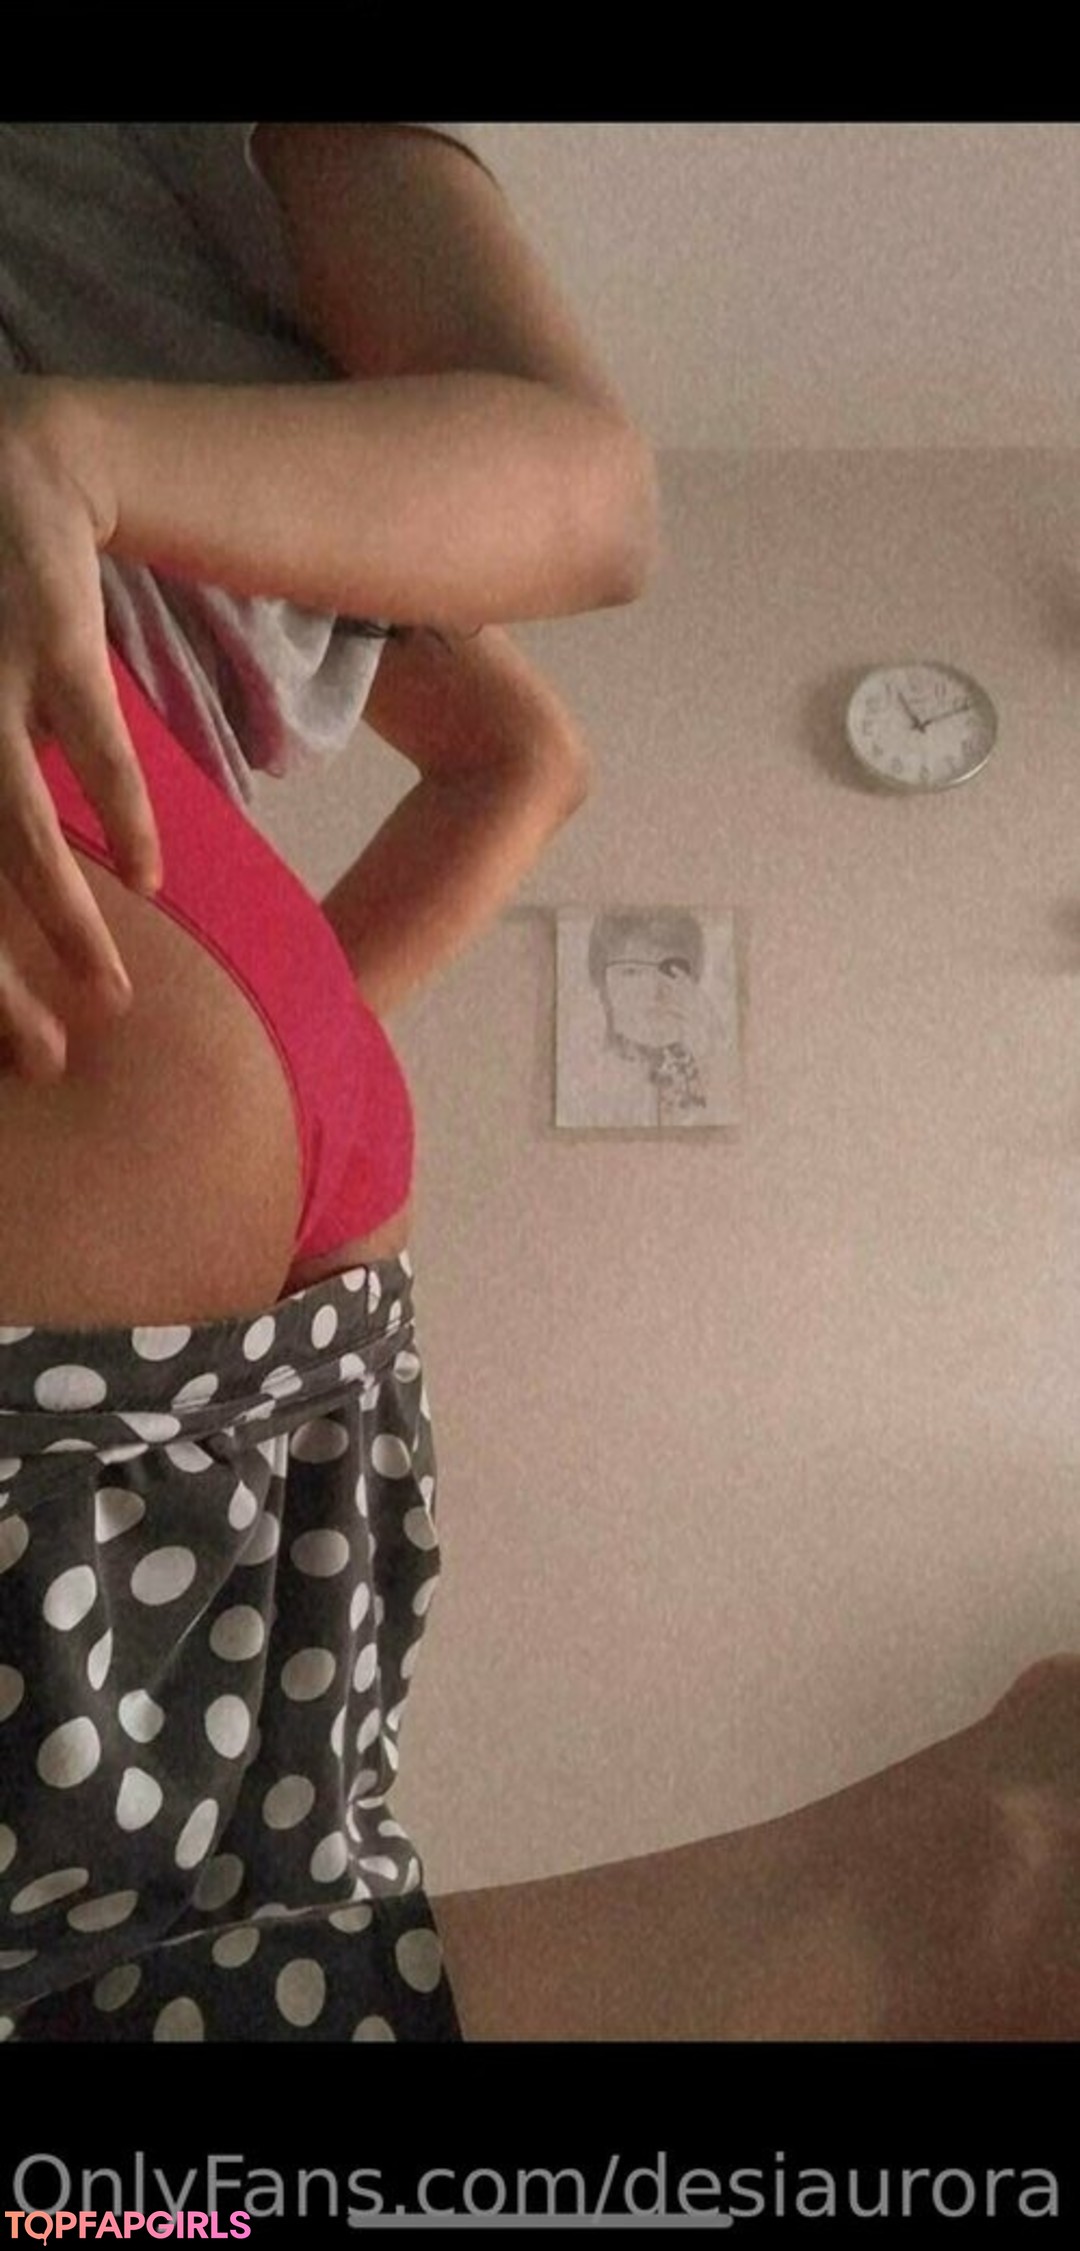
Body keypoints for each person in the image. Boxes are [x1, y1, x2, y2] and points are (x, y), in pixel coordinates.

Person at [0, 123, 1076, 2047]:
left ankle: (954, 1890)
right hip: (168, 979)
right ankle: (965, 1857)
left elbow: (592, 499)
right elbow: (527, 751)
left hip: (111, 935)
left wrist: (63, 452)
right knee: (208, 1954)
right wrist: (261, 1064)